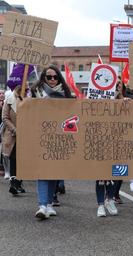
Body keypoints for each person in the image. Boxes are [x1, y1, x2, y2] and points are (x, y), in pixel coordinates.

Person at [31, 65, 73, 220]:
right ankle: (42, 205)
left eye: (55, 77)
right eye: (49, 77)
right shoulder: (36, 92)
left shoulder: (66, 94)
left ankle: (49, 203)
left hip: (60, 137)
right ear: (44, 78)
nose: (53, 80)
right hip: (41, 136)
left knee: (54, 172)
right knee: (42, 172)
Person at [2, 85, 27, 195]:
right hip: (13, 134)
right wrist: (14, 129)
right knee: (13, 158)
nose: (24, 90)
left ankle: (19, 182)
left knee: (23, 159)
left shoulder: (30, 99)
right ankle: (13, 182)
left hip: (26, 135)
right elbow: (5, 117)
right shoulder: (9, 100)